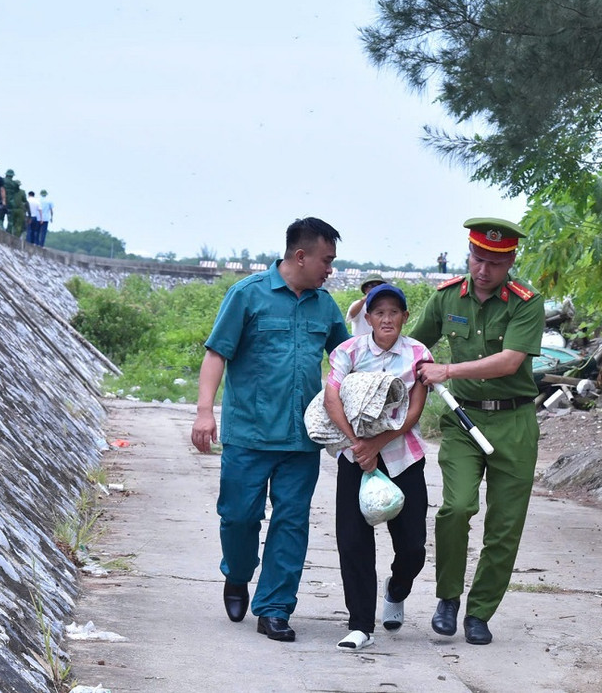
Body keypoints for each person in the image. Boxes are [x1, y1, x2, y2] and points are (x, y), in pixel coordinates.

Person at [190, 217, 350, 643]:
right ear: (301, 256)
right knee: (239, 517)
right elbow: (215, 354)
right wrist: (205, 411)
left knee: (292, 522)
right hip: (249, 434)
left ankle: (275, 608)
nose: (330, 269)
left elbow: (347, 362)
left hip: (302, 440)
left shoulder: (325, 306)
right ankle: (238, 574)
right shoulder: (248, 295)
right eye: (326, 260)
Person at [410, 217, 543, 646]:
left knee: (505, 526)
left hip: (514, 423)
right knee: (457, 507)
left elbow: (508, 361)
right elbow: (415, 349)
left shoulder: (525, 302)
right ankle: (448, 597)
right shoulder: (448, 296)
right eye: (477, 259)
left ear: (511, 262)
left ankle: (480, 612)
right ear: (468, 255)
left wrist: (447, 369)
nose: (484, 270)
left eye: (495, 263)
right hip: (463, 420)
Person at [323, 283, 432, 651]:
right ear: (367, 318)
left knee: (413, 544)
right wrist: (357, 445)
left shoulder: (418, 353)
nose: (387, 318)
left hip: (403, 455)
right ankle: (359, 625)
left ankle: (397, 587)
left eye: (394, 312)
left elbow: (415, 406)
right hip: (355, 454)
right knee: (353, 541)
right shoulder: (348, 351)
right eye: (379, 312)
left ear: (404, 317)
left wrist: (378, 443)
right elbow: (332, 396)